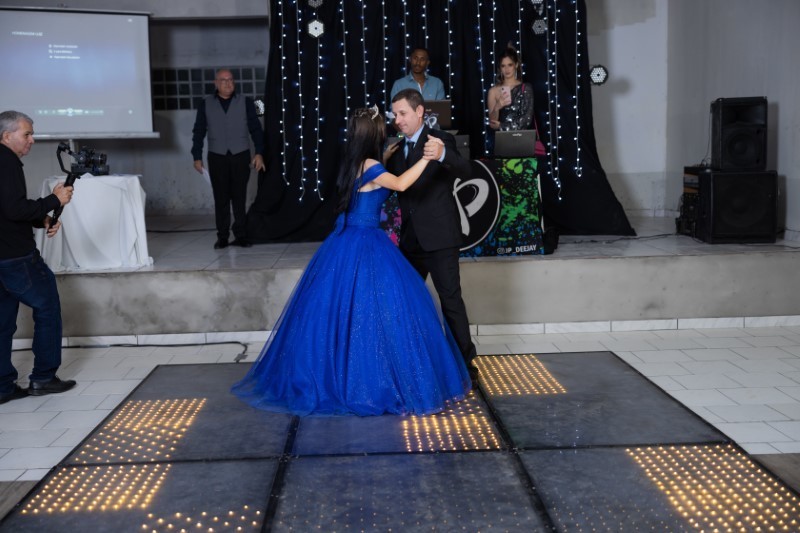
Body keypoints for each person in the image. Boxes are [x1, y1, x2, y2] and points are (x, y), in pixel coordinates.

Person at [232, 106, 470, 416]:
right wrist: (427, 158)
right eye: (382, 127)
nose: (388, 128)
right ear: (373, 134)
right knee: (375, 312)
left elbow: (370, 188)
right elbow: (400, 185)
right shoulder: (371, 164)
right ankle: (370, 380)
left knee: (349, 312)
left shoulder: (355, 163)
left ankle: (345, 373)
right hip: (367, 242)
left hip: (347, 240)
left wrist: (386, 160)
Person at [385, 89, 478, 376]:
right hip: (410, 241)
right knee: (406, 302)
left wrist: (443, 155)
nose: (398, 120)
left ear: (419, 112)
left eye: (403, 113)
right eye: (395, 114)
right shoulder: (395, 149)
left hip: (440, 238)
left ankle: (464, 365)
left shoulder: (440, 139)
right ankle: (414, 361)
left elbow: (467, 170)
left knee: (450, 301)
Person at [0, 110, 76, 404]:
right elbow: (14, 209)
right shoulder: (7, 162)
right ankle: (44, 377)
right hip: (16, 257)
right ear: (7, 136)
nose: (32, 140)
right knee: (47, 308)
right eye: (27, 134)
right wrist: (54, 200)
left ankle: (3, 387)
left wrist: (40, 218)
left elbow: (6, 208)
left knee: (3, 322)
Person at [192, 68, 266, 249]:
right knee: (221, 198)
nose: (228, 83)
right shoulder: (205, 103)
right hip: (217, 156)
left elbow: (256, 129)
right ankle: (222, 236)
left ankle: (241, 235)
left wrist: (259, 152)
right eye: (223, 80)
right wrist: (196, 156)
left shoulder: (247, 102)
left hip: (240, 155)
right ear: (216, 83)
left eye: (231, 80)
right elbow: (199, 131)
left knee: (239, 198)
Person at [487, 46, 534, 132]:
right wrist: (497, 107)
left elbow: (527, 119)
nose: (507, 69)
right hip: (502, 138)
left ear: (516, 65)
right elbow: (492, 124)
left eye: (510, 65)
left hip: (522, 137)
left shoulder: (525, 88)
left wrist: (502, 126)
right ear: (500, 68)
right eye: (503, 66)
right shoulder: (493, 91)